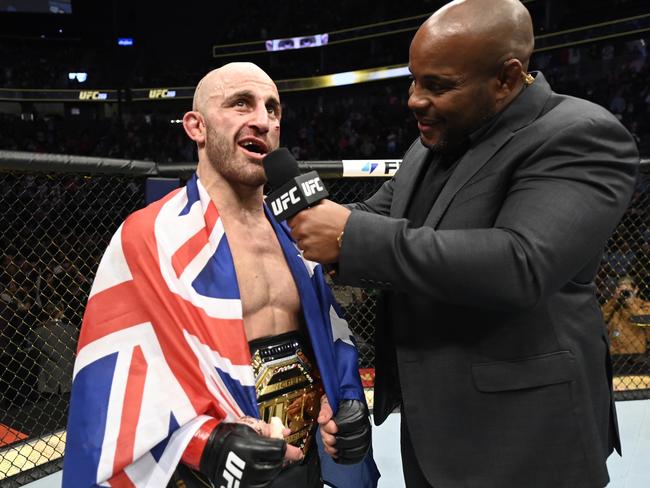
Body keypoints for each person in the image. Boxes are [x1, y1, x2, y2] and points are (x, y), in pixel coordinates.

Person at [287, 1, 640, 487]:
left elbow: (521, 263)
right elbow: (371, 218)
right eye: (413, 80)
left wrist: (348, 236)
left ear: (507, 79)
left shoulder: (580, 134)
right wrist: (270, 222)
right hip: (433, 433)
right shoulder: (433, 141)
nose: (413, 99)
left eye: (437, 84)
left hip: (527, 436)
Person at [63, 63, 378, 488]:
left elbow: (330, 335)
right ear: (196, 126)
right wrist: (206, 446)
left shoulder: (298, 232)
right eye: (241, 103)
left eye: (273, 109)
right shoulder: (150, 235)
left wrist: (349, 400)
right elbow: (114, 382)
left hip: (301, 464)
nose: (263, 120)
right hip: (202, 477)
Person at [604, 276, 650, 374]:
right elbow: (601, 318)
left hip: (636, 355)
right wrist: (614, 300)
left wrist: (631, 303)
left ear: (636, 290)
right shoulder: (614, 307)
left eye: (628, 291)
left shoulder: (644, 305)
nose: (625, 294)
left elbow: (643, 320)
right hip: (615, 354)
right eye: (622, 291)